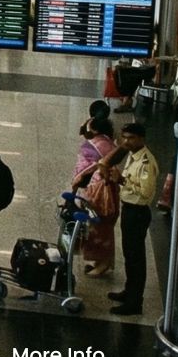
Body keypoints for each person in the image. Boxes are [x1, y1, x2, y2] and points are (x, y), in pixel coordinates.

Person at [104, 121, 159, 315]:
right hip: (129, 210)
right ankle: (129, 291)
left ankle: (135, 302)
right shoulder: (132, 156)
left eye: (131, 138)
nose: (126, 141)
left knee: (136, 258)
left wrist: (121, 180)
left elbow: (146, 192)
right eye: (124, 137)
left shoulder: (145, 162)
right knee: (129, 254)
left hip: (138, 212)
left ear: (141, 139)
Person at [71, 114, 119, 278]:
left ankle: (104, 263)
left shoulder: (99, 145)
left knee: (100, 226)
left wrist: (77, 181)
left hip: (100, 189)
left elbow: (88, 167)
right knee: (96, 226)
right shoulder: (106, 141)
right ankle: (99, 261)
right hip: (98, 187)